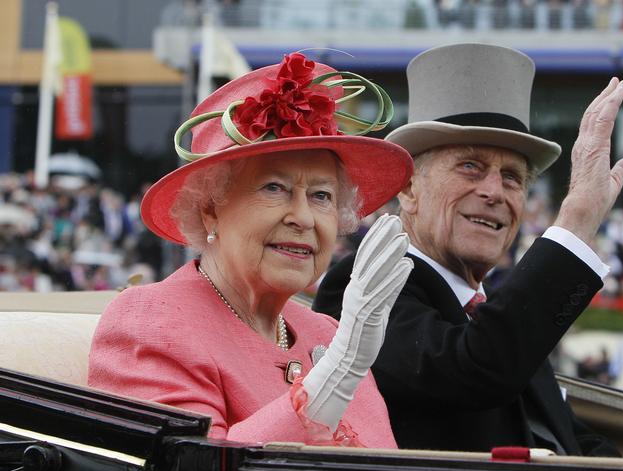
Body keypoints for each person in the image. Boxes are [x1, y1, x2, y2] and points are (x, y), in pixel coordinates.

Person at [313, 43, 623, 455]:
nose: (493, 192)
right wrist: (575, 224)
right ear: (409, 188)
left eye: (512, 178)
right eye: (471, 166)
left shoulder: (496, 315)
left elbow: (567, 438)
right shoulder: (362, 287)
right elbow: (475, 369)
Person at [88, 52, 415, 447]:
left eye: (322, 195)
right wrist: (335, 374)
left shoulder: (325, 333)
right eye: (274, 188)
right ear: (210, 209)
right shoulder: (149, 320)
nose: (304, 218)